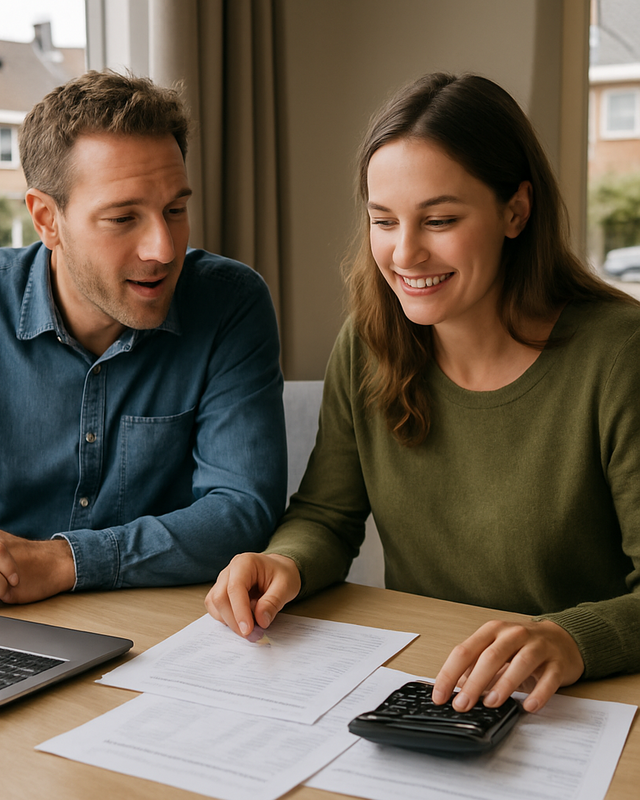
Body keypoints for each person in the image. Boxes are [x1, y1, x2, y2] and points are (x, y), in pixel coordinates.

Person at [205, 72, 640, 715]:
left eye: (438, 219)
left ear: (515, 211)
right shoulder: (369, 340)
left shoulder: (619, 353)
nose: (404, 253)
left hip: (583, 702)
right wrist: (284, 565)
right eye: (383, 221)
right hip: (435, 686)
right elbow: (327, 515)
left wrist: (569, 637)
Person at [0, 70, 286, 609]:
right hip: (1, 621)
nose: (164, 249)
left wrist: (61, 561)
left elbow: (242, 510)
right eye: (123, 217)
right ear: (47, 219)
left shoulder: (229, 302)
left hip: (171, 630)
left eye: (175, 209)